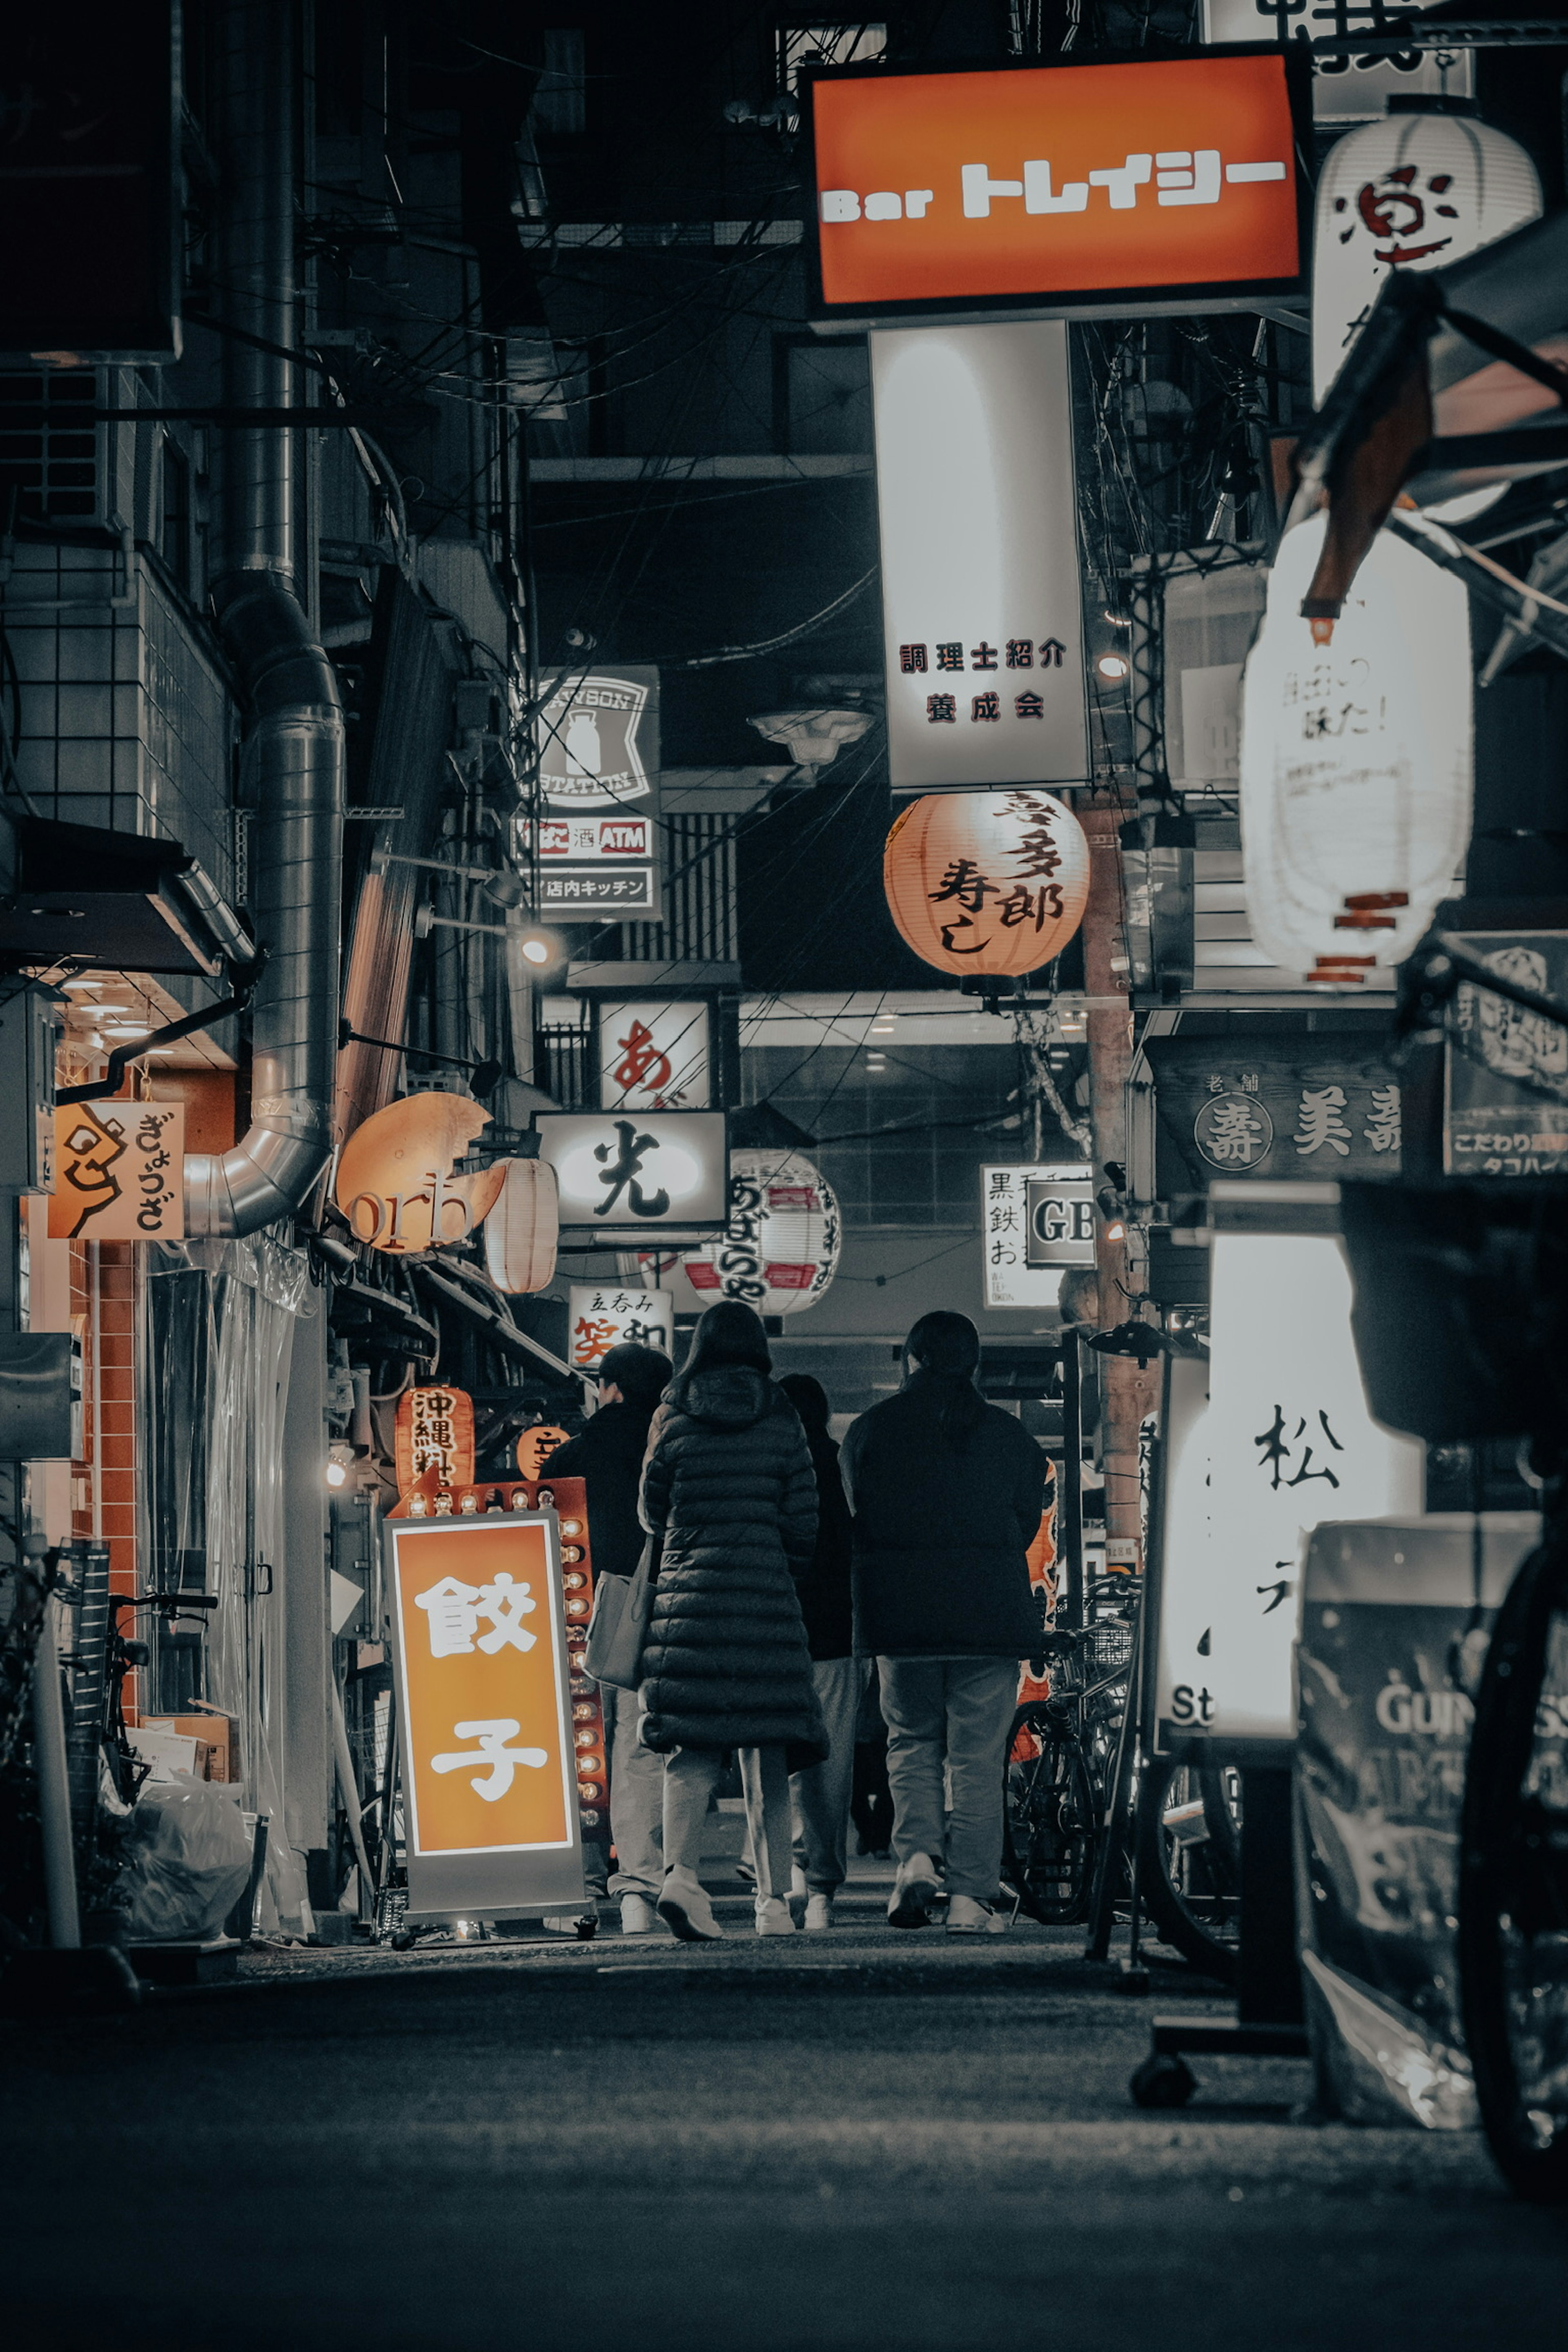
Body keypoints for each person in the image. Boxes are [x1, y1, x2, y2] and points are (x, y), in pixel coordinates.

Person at [841, 1310, 1045, 1935]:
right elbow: (1026, 1525)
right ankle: (970, 1899)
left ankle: (919, 1859)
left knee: (911, 1745)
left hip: (902, 1619)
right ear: (975, 1364)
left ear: (911, 1360)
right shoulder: (1010, 1437)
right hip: (988, 1617)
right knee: (978, 1760)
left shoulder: (871, 1431)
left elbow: (858, 1517)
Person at [637, 1301, 826, 1942]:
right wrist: (776, 1569)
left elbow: (650, 1510)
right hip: (765, 1597)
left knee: (691, 1746)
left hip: (688, 1606)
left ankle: (680, 1880)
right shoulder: (781, 1415)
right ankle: (773, 1904)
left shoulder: (674, 1410)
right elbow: (804, 1520)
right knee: (767, 1752)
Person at [546, 1342, 672, 1936]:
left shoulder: (571, 1455)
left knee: (580, 1757)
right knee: (641, 1755)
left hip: (577, 1621)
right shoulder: (668, 1453)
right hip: (652, 1619)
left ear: (612, 1388)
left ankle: (579, 1889)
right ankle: (639, 1893)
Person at [776, 1373, 866, 1931]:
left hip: (775, 1632)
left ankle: (780, 1872)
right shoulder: (844, 1467)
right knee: (830, 1762)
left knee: (779, 1754)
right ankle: (822, 1889)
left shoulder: (767, 1468)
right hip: (837, 1634)